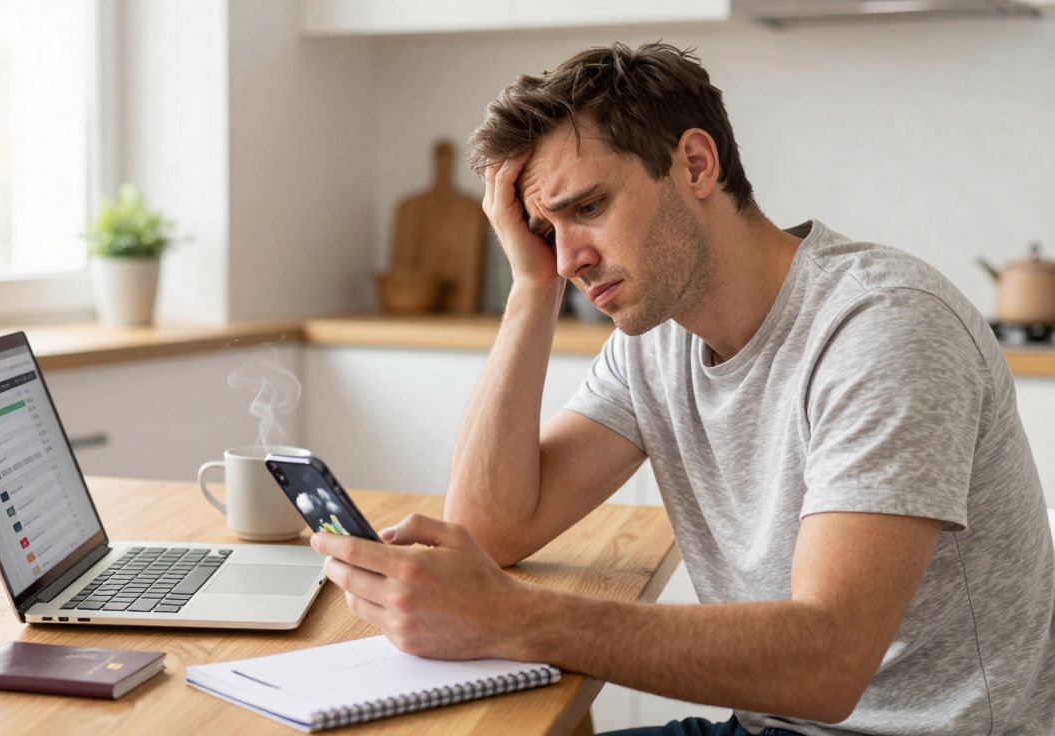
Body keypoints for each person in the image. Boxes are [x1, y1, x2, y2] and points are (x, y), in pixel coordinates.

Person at [310, 42, 1054, 735]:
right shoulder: (657, 334)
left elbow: (828, 663)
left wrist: (510, 616)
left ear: (696, 165)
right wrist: (529, 288)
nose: (570, 257)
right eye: (545, 229)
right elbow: (493, 526)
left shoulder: (883, 327)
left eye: (588, 208)